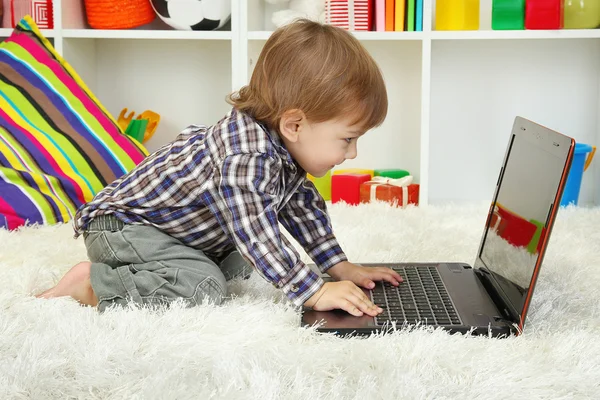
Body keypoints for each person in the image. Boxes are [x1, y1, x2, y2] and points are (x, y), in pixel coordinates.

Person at [37, 18, 403, 317]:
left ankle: (146, 270)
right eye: (347, 139)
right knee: (204, 286)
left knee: (242, 265)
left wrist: (338, 266)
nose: (353, 153)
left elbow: (301, 210)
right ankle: (92, 284)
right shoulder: (245, 158)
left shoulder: (282, 146)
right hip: (123, 227)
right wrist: (313, 290)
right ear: (294, 124)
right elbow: (257, 233)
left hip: (174, 232)